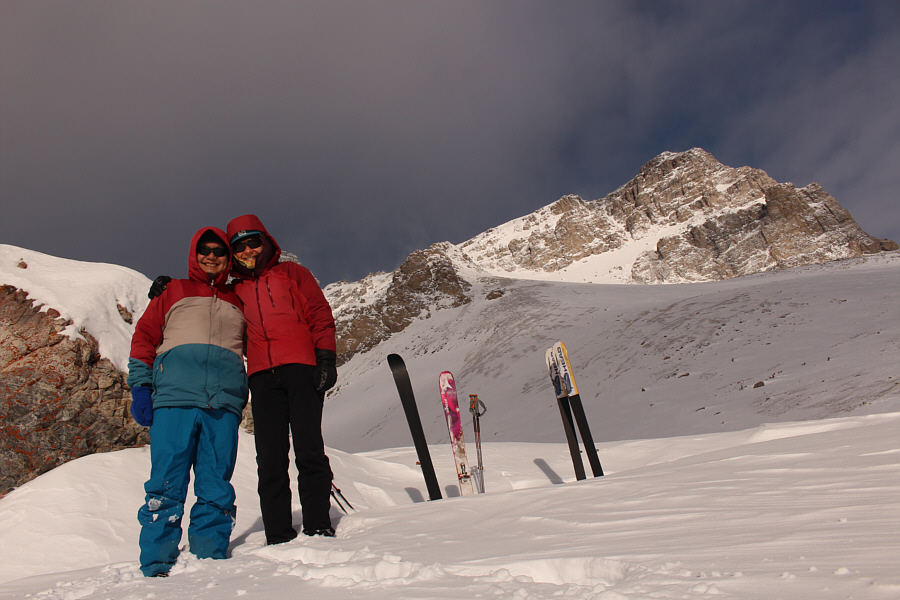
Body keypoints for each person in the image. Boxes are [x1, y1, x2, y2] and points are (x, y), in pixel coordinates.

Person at [128, 227, 248, 577]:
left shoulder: (238, 299)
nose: (211, 256)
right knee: (165, 483)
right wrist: (141, 388)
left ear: (229, 259)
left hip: (223, 404)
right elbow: (144, 339)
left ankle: (209, 558)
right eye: (205, 250)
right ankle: (156, 562)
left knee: (216, 485)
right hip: (174, 400)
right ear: (194, 254)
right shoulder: (173, 291)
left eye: (219, 252)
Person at [225, 214, 338, 544]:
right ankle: (277, 533)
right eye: (239, 245)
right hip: (261, 377)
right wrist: (166, 288)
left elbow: (319, 314)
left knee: (309, 448)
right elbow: (206, 293)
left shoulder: (293, 274)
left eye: (253, 241)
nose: (248, 249)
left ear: (265, 240)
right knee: (270, 457)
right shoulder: (234, 290)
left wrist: (326, 358)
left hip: (301, 368)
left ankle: (318, 524)